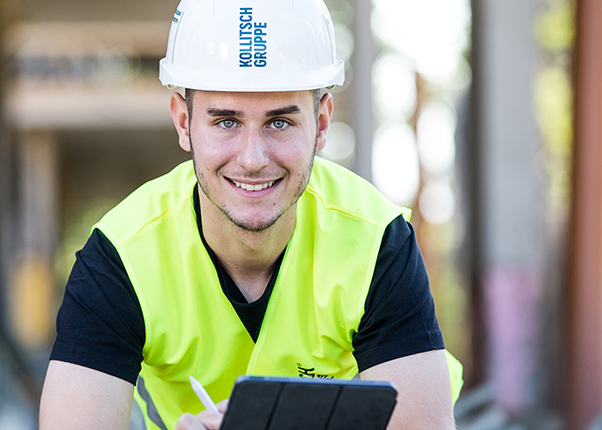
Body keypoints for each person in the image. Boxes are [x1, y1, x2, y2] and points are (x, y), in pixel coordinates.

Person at [39, 0, 463, 429]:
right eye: (226, 122)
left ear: (321, 121)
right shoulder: (122, 258)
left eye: (279, 122)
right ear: (184, 122)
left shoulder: (376, 242)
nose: (253, 158)